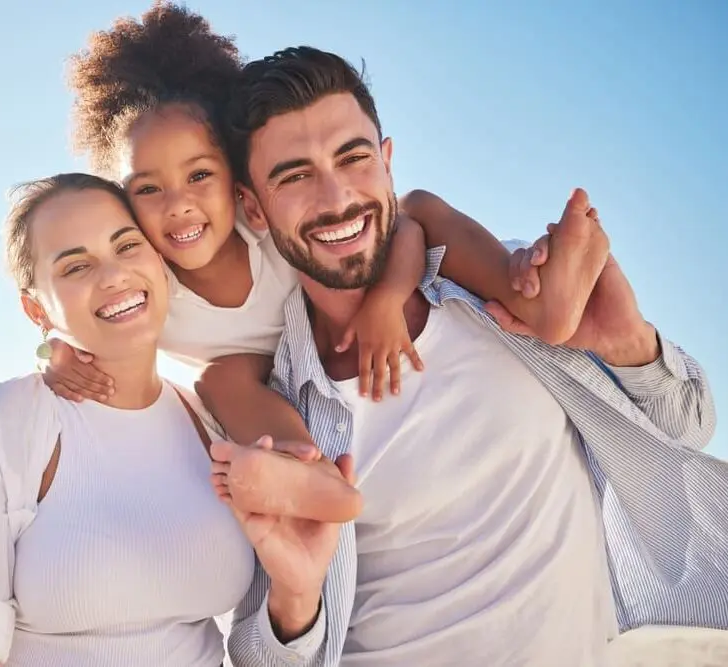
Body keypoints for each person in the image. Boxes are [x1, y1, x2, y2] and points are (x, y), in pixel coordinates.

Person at [210, 46, 726, 667]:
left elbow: (686, 428)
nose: (337, 196)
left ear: (387, 161)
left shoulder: (506, 301)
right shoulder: (276, 409)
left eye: (354, 157)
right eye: (295, 176)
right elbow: (258, 657)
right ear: (254, 208)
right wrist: (295, 598)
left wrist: (631, 346)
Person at [45, 3, 605, 521]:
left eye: (199, 176)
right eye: (148, 189)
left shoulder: (268, 227)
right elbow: (82, 312)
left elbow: (406, 230)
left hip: (315, 336)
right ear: (124, 203)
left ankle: (529, 293)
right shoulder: (147, 282)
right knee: (219, 379)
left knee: (418, 205)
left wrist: (387, 300)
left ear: (238, 187)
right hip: (271, 382)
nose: (179, 205)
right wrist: (58, 353)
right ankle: (302, 469)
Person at [0, 173, 343, 666]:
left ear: (160, 260)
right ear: (36, 309)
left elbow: (251, 656)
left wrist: (298, 595)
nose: (113, 275)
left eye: (127, 246)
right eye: (76, 266)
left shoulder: (209, 424)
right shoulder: (5, 420)